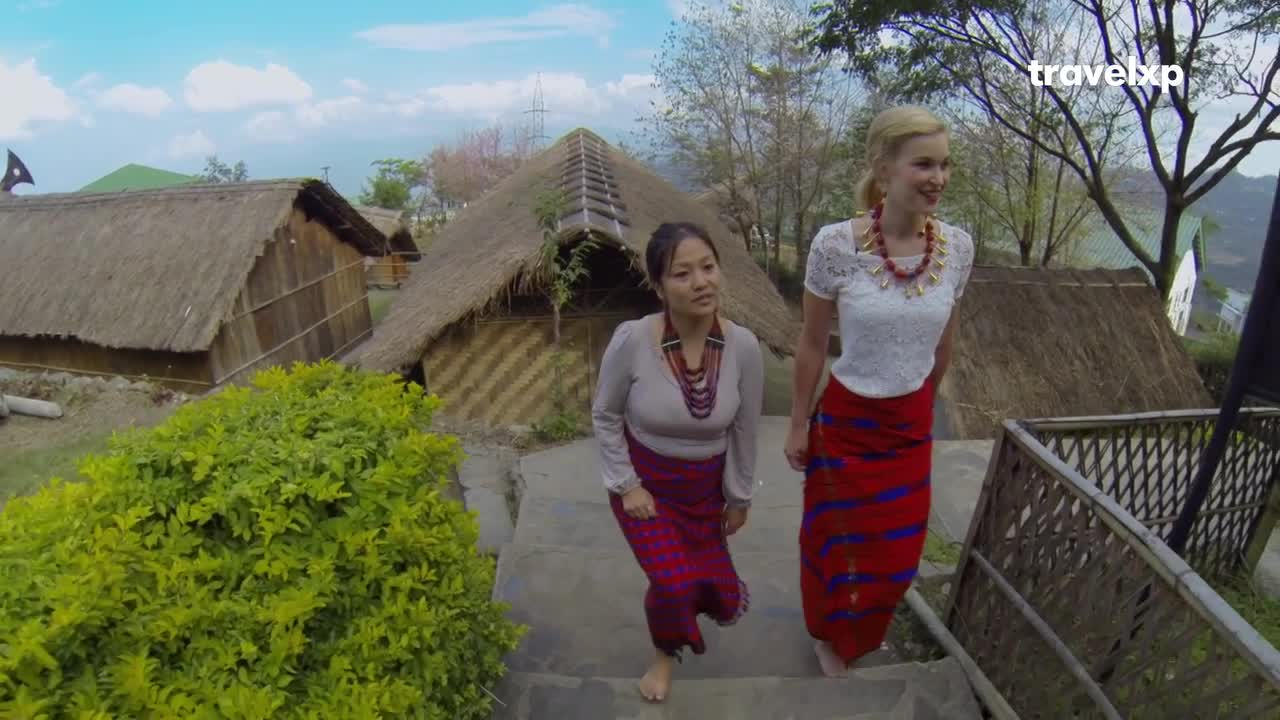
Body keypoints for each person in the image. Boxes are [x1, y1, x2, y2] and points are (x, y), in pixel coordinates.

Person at [785, 105, 974, 677]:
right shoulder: (835, 247)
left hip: (910, 427)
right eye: (923, 164)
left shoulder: (958, 249)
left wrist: (924, 410)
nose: (937, 177)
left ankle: (863, 631)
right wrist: (798, 424)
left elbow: (944, 346)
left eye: (944, 165)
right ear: (883, 167)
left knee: (895, 557)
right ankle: (831, 637)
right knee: (839, 547)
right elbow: (813, 345)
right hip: (846, 424)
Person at [592, 221, 765, 703]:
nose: (700, 282)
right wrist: (627, 484)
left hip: (705, 491)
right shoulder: (633, 340)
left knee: (714, 588)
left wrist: (738, 496)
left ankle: (675, 630)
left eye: (708, 268)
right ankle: (663, 658)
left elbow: (745, 429)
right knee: (672, 582)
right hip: (645, 487)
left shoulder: (743, 347)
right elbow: (604, 415)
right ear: (659, 286)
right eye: (683, 273)